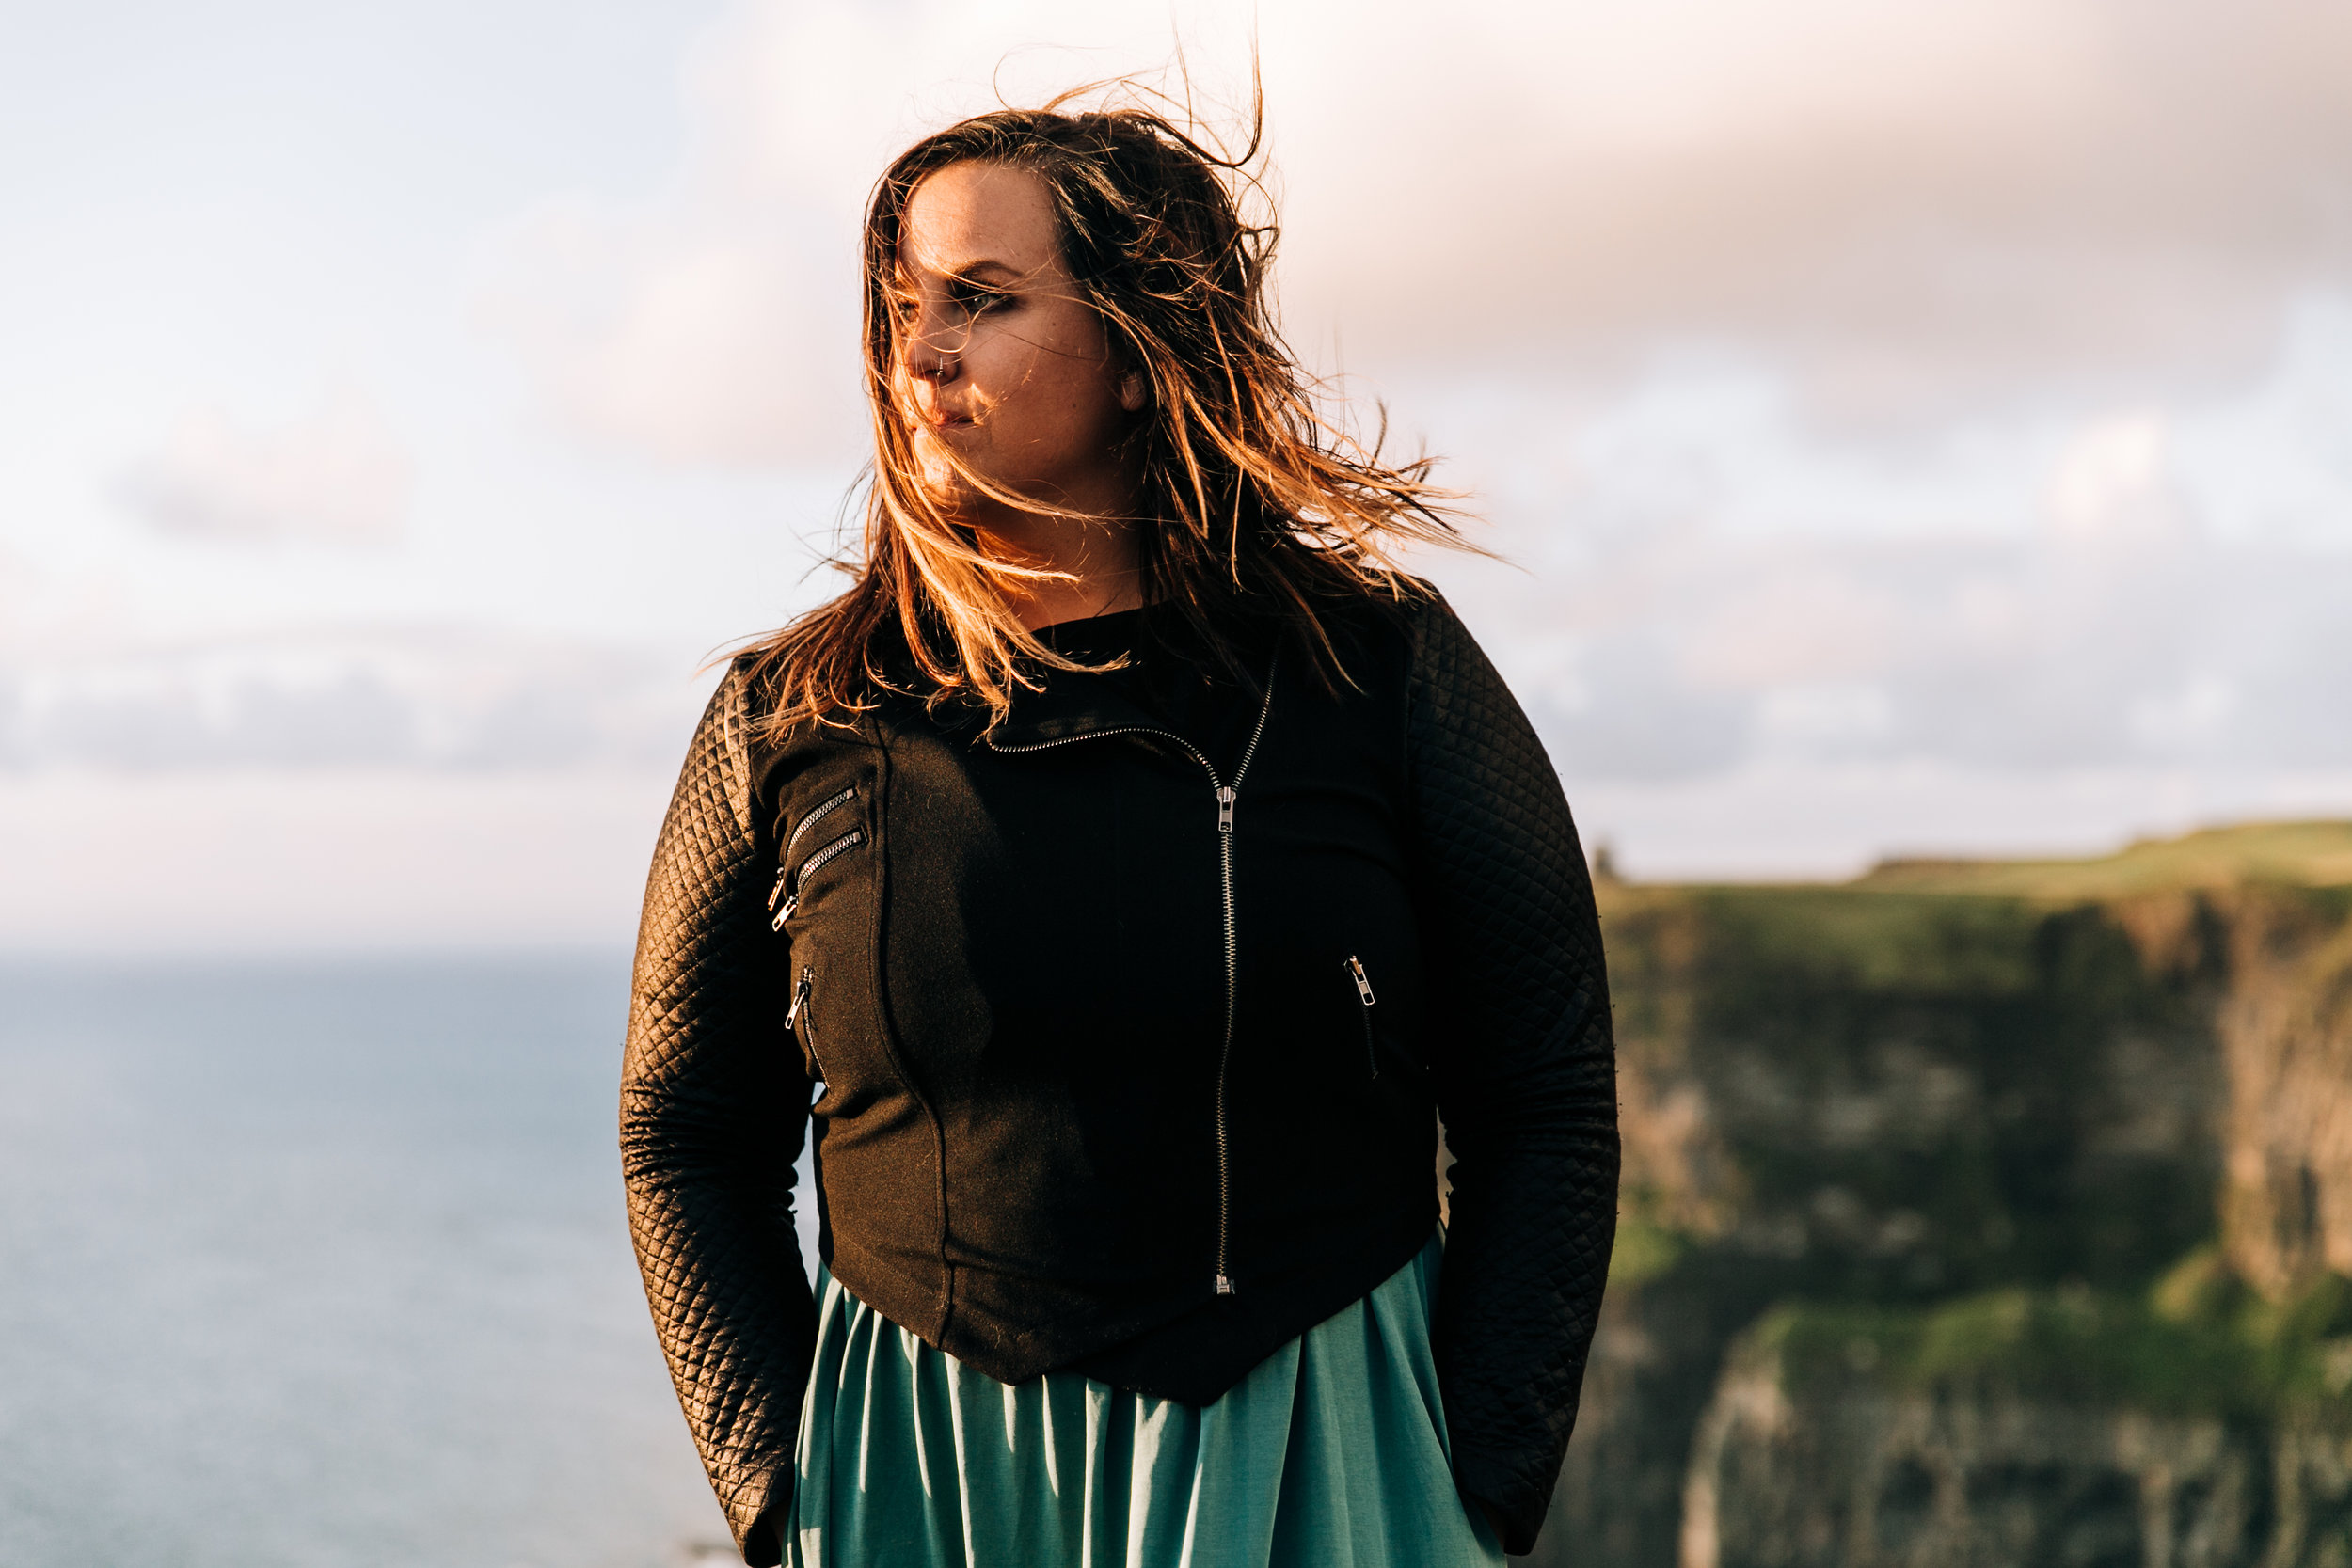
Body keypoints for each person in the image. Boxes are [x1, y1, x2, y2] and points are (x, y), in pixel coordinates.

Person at [620, 96, 1618, 1568]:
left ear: (1142, 347)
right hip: (925, 1478)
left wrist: (1467, 1498)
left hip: (1319, 1454)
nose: (920, 353)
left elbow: (1543, 1098)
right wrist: (785, 1493)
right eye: (903, 307)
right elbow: (684, 1135)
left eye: (983, 299)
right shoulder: (794, 715)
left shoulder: (1379, 670)